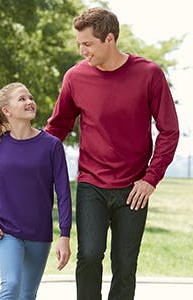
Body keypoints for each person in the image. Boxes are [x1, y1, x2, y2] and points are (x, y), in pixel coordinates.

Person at [45, 7, 179, 300]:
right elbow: (58, 126)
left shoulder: (149, 74)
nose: (82, 51)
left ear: (109, 39)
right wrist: (24, 153)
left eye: (88, 44)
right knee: (90, 255)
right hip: (91, 183)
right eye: (79, 43)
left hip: (133, 188)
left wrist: (150, 178)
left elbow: (169, 131)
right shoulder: (75, 77)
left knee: (125, 265)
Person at [0, 82, 72, 300]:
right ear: (6, 110)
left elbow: (64, 194)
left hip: (39, 232)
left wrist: (64, 235)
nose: (30, 102)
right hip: (6, 229)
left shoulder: (51, 146)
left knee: (28, 295)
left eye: (30, 97)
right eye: (22, 99)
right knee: (11, 285)